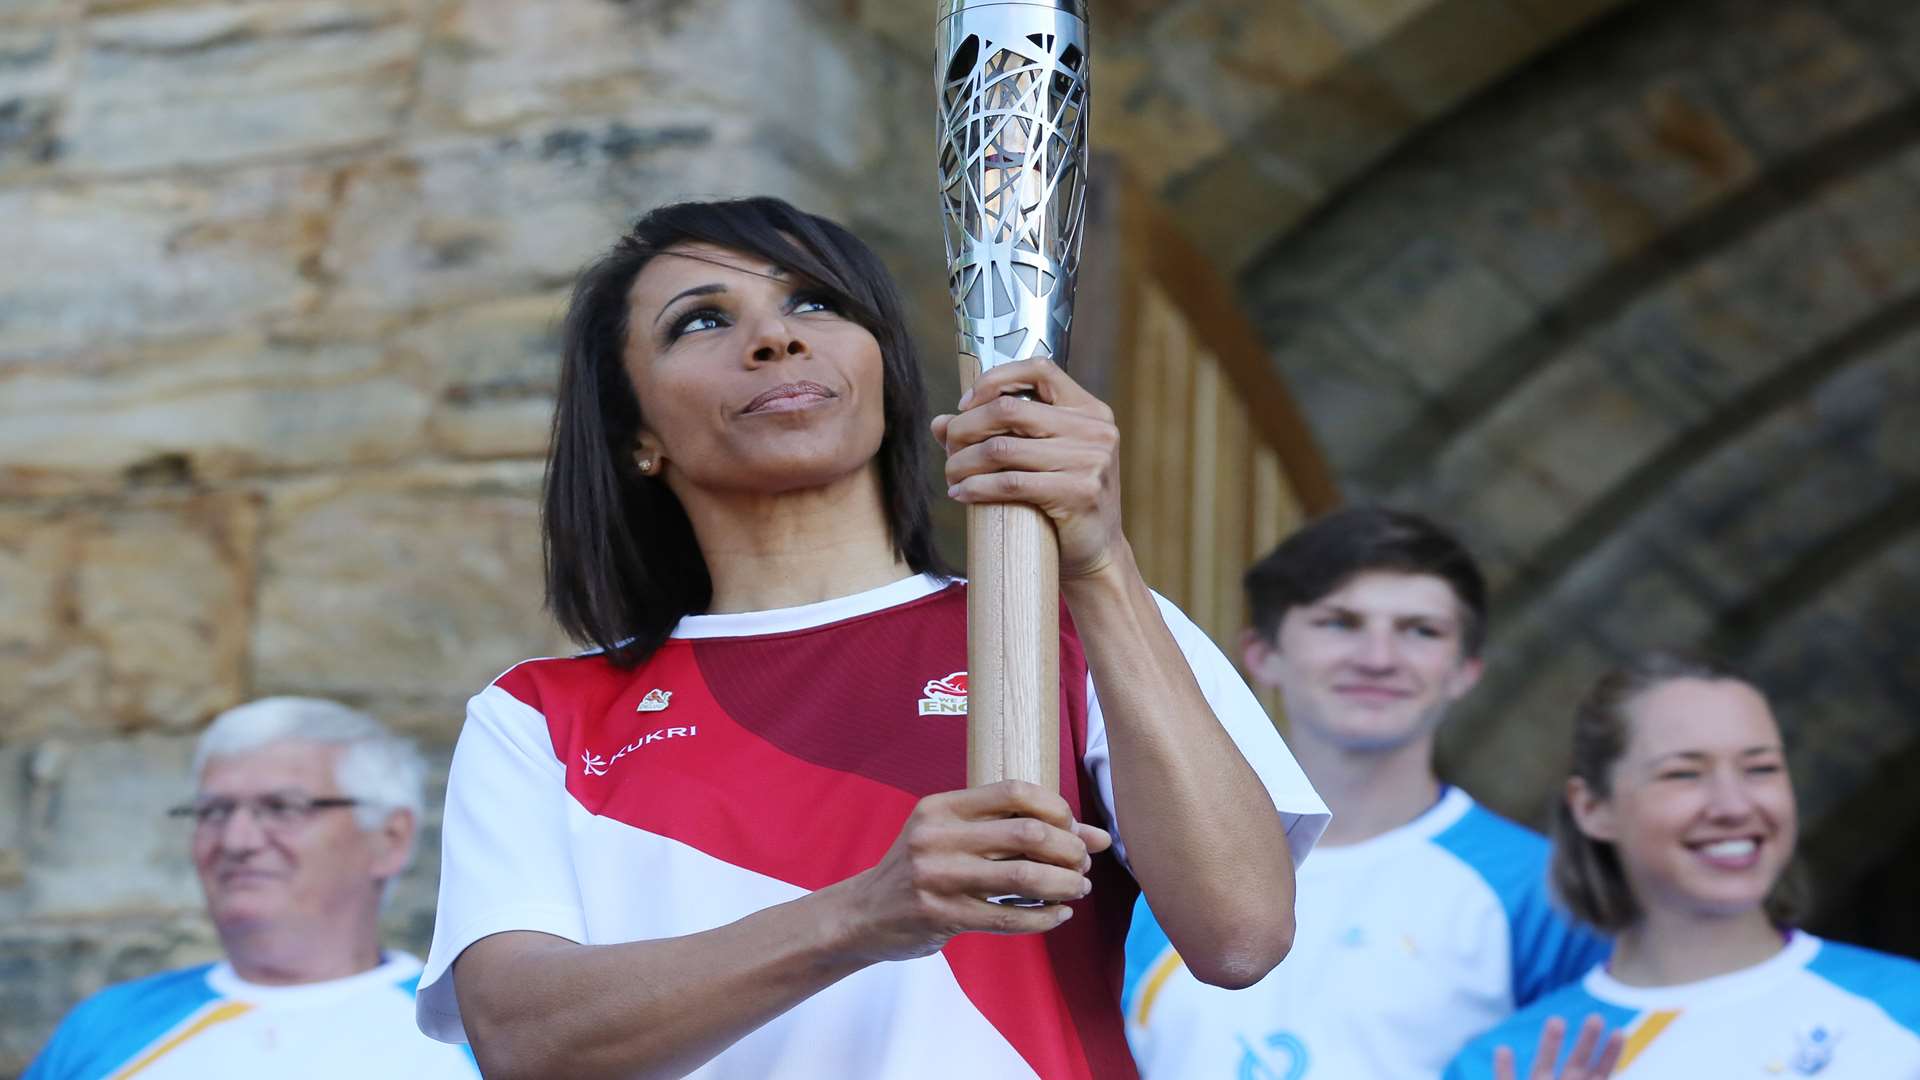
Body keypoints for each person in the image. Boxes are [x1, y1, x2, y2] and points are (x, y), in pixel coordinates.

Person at [412, 196, 1330, 1079]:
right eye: (700, 321)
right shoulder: (543, 715)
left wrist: (1097, 564)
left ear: (884, 368)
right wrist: (865, 912)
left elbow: (1242, 934)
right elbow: (526, 1043)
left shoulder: (1084, 625)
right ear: (635, 435)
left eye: (815, 301)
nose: (776, 337)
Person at [1123, 507, 1610, 1079]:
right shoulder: (1150, 856)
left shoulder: (1547, 889)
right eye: (1339, 623)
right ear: (1261, 654)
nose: (1378, 659)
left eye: (1421, 631)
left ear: (1466, 670)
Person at [1448, 650, 1920, 1079]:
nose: (1733, 805)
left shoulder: (1905, 1005)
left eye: (1761, 768)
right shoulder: (1509, 1062)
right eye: (1683, 774)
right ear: (1592, 807)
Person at [26, 697, 477, 1080]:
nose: (237, 841)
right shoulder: (106, 1027)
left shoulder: (472, 1031)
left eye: (283, 807)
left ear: (390, 838)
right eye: (215, 811)